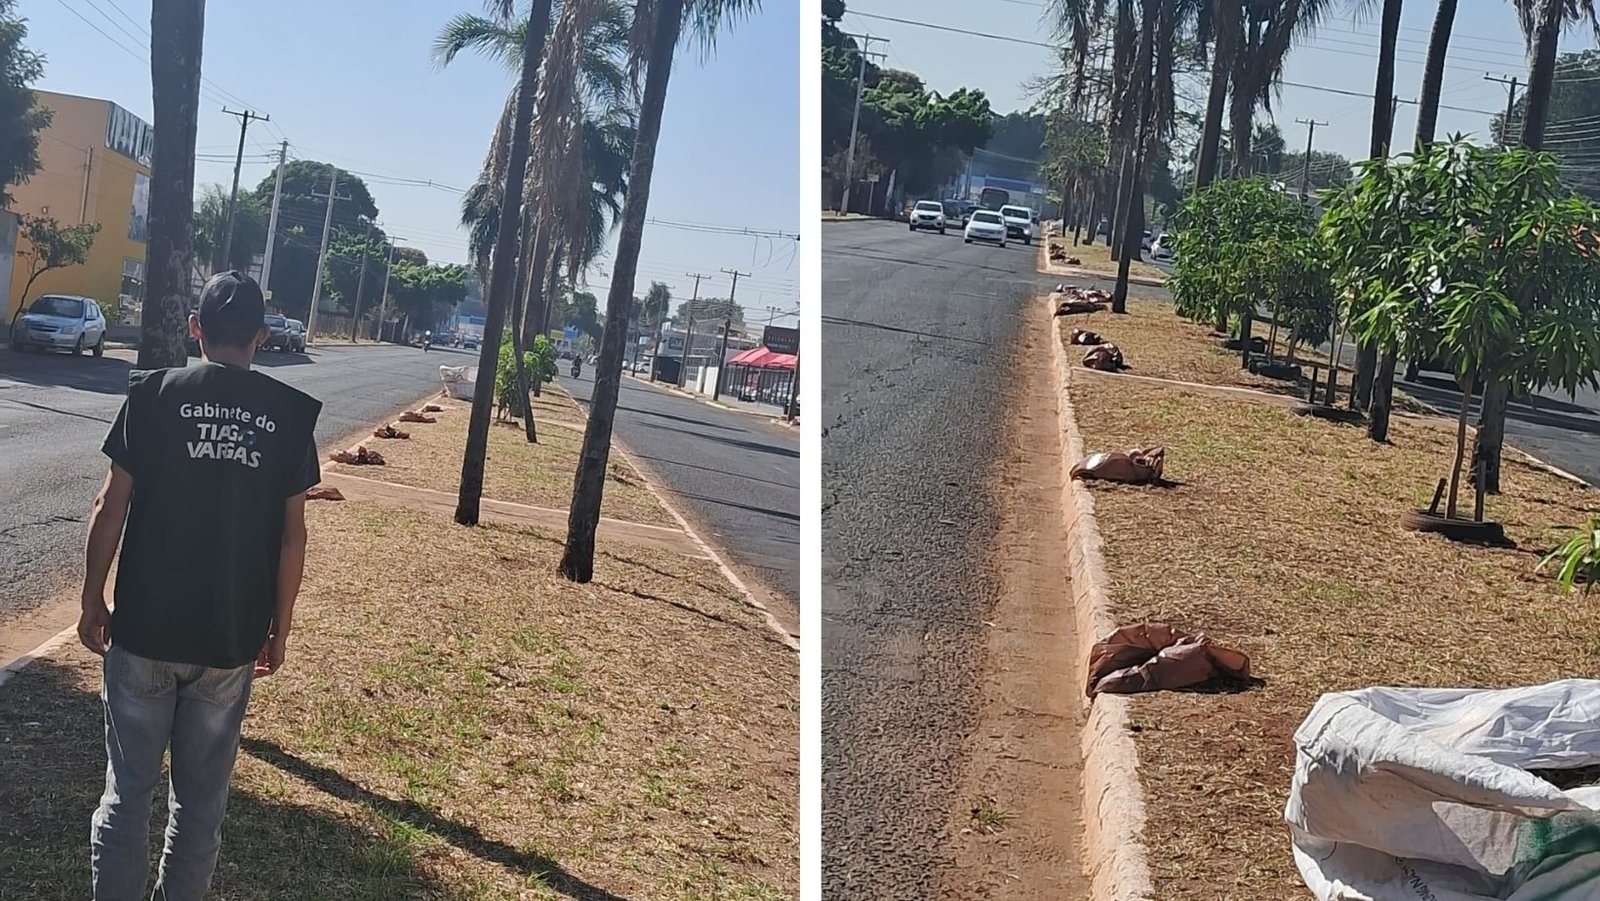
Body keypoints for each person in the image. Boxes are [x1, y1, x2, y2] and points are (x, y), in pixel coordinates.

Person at [77, 271, 322, 900]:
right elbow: (293, 536)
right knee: (200, 808)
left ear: (196, 330)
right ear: (262, 337)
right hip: (228, 639)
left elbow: (111, 504)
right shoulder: (290, 417)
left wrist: (91, 598)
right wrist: (280, 628)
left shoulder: (155, 395)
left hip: (144, 632)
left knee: (126, 797)